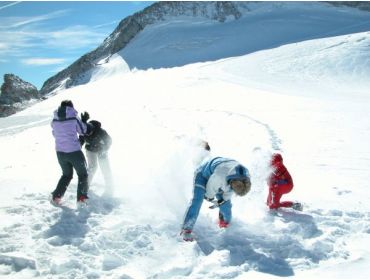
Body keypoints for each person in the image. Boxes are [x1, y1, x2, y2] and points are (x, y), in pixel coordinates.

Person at [181, 157, 251, 241]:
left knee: (226, 206)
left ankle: (225, 223)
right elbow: (209, 192)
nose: (232, 191)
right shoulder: (220, 176)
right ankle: (186, 229)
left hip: (222, 179)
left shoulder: (244, 178)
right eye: (233, 189)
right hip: (203, 175)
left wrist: (222, 201)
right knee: (197, 201)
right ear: (232, 183)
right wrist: (210, 198)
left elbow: (228, 193)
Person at [50, 100, 91, 205]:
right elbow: (83, 130)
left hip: (60, 153)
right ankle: (82, 198)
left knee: (66, 175)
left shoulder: (54, 120)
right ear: (71, 108)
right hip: (74, 152)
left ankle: (56, 197)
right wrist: (85, 121)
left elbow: (55, 134)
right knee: (83, 175)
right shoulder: (73, 117)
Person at [79, 120, 113, 192]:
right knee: (92, 167)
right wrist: (79, 145)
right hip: (90, 149)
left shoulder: (101, 132)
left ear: (93, 130)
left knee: (105, 167)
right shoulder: (84, 130)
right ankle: (86, 185)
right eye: (87, 134)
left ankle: (109, 185)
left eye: (90, 133)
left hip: (101, 150)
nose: (88, 135)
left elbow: (109, 141)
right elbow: (81, 140)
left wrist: (104, 149)